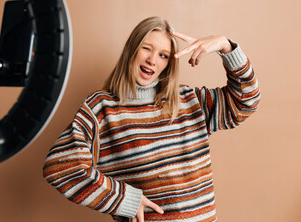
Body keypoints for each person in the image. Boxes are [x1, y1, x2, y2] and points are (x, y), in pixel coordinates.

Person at [43, 16, 260, 222]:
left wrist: (226, 47)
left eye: (163, 55)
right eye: (146, 48)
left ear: (168, 64)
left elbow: (246, 101)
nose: (151, 60)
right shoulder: (101, 107)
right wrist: (123, 199)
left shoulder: (188, 100)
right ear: (132, 49)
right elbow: (62, 167)